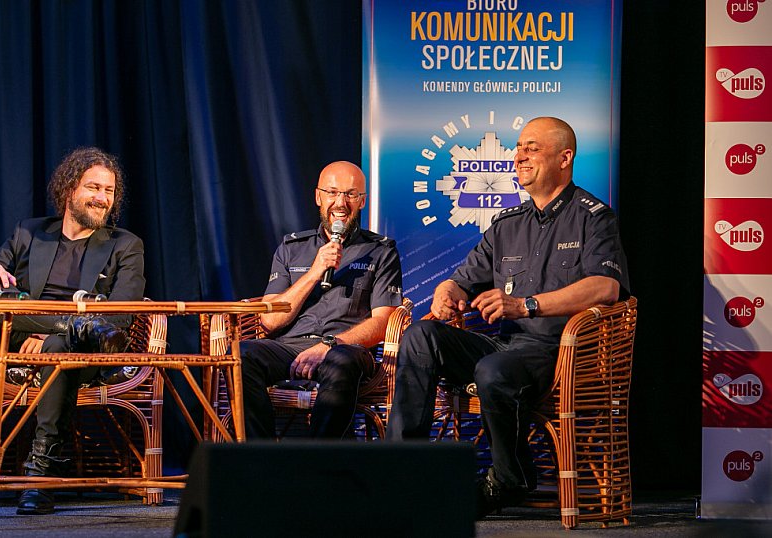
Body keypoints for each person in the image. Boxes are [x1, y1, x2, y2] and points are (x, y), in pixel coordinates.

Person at [386, 117, 630, 518]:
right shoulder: (506, 223)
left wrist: (526, 305)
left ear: (564, 157)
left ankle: (509, 476)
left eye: (531, 148)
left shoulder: (594, 217)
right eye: (518, 148)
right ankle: (403, 469)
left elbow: (606, 288)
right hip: (505, 346)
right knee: (422, 336)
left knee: (494, 369)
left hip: (558, 352)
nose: (519, 156)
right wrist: (448, 291)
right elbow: (463, 281)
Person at [0, 147, 145, 515]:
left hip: (93, 350)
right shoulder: (30, 233)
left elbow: (123, 314)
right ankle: (41, 475)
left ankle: (41, 472)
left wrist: (50, 337)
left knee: (60, 347)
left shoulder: (125, 244)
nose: (102, 198)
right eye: (93, 187)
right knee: (10, 305)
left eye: (109, 191)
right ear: (68, 191)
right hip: (27, 338)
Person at [241, 161, 403, 439]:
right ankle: (262, 460)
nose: (341, 203)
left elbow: (383, 321)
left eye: (351, 194)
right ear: (318, 197)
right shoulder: (291, 248)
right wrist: (315, 271)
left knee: (342, 361)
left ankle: (321, 464)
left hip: (345, 349)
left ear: (362, 201)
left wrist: (330, 345)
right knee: (243, 356)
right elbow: (269, 320)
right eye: (332, 192)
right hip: (291, 348)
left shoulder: (381, 252)